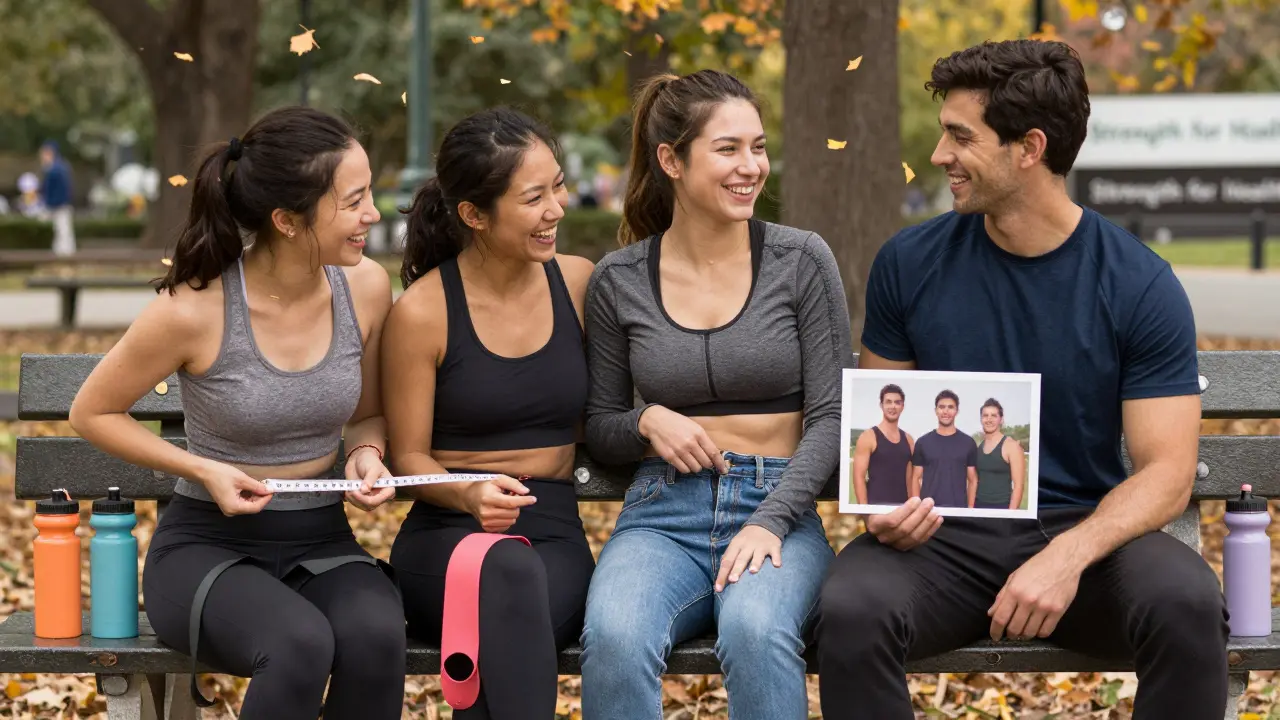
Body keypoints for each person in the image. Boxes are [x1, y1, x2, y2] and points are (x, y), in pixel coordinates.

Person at [814, 39, 1228, 720]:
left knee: (1187, 604)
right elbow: (884, 436)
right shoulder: (907, 264)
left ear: (1029, 149)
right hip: (942, 539)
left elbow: (1168, 473)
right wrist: (886, 508)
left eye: (959, 136)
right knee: (852, 607)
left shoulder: (1138, 283)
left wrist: (1067, 556)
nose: (940, 155)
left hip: (1087, 538)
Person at [67, 106, 406, 720]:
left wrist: (364, 453)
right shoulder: (194, 309)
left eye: (371, 194)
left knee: (378, 639)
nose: (373, 214)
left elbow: (368, 414)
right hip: (207, 549)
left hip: (323, 540)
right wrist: (203, 470)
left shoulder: (366, 288)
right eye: (354, 200)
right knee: (299, 644)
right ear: (288, 220)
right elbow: (93, 412)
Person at [580, 68, 852, 720]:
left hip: (777, 509)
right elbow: (601, 425)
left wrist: (770, 518)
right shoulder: (620, 279)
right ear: (671, 160)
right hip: (660, 517)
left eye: (758, 147)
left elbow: (834, 414)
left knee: (756, 633)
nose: (751, 166)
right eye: (728, 149)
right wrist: (646, 422)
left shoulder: (801, 260)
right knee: (615, 637)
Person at [381, 107, 596, 720]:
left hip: (550, 532)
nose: (556, 208)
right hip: (444, 534)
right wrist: (470, 492)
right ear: (475, 214)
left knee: (509, 584)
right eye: (534, 197)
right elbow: (410, 457)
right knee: (499, 580)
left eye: (557, 186)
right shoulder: (424, 312)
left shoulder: (578, 284)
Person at [909, 390, 978, 508]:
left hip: (959, 510)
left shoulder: (968, 443)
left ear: (957, 411)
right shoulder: (923, 442)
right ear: (936, 410)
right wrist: (917, 508)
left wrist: (970, 510)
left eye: (950, 407)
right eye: (942, 407)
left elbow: (972, 480)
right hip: (929, 511)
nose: (946, 411)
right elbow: (915, 478)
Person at [851, 383, 914, 505]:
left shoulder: (909, 440)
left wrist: (912, 507)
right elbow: (859, 477)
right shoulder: (868, 436)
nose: (893, 406)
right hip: (876, 508)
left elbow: (910, 478)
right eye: (888, 402)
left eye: (897, 402)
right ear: (881, 405)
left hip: (903, 509)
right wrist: (864, 511)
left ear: (902, 406)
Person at [974, 398, 1026, 509]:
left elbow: (1018, 486)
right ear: (981, 419)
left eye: (993, 416)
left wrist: (1010, 517)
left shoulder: (1011, 446)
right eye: (985, 415)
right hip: (978, 506)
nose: (989, 419)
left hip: (1002, 507)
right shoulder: (979, 447)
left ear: (1001, 420)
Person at [38, 141, 75, 255]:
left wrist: (49, 204)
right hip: (57, 205)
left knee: (63, 234)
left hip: (58, 206)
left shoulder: (56, 169)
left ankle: (63, 257)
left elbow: (58, 190)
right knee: (63, 233)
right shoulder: (56, 167)